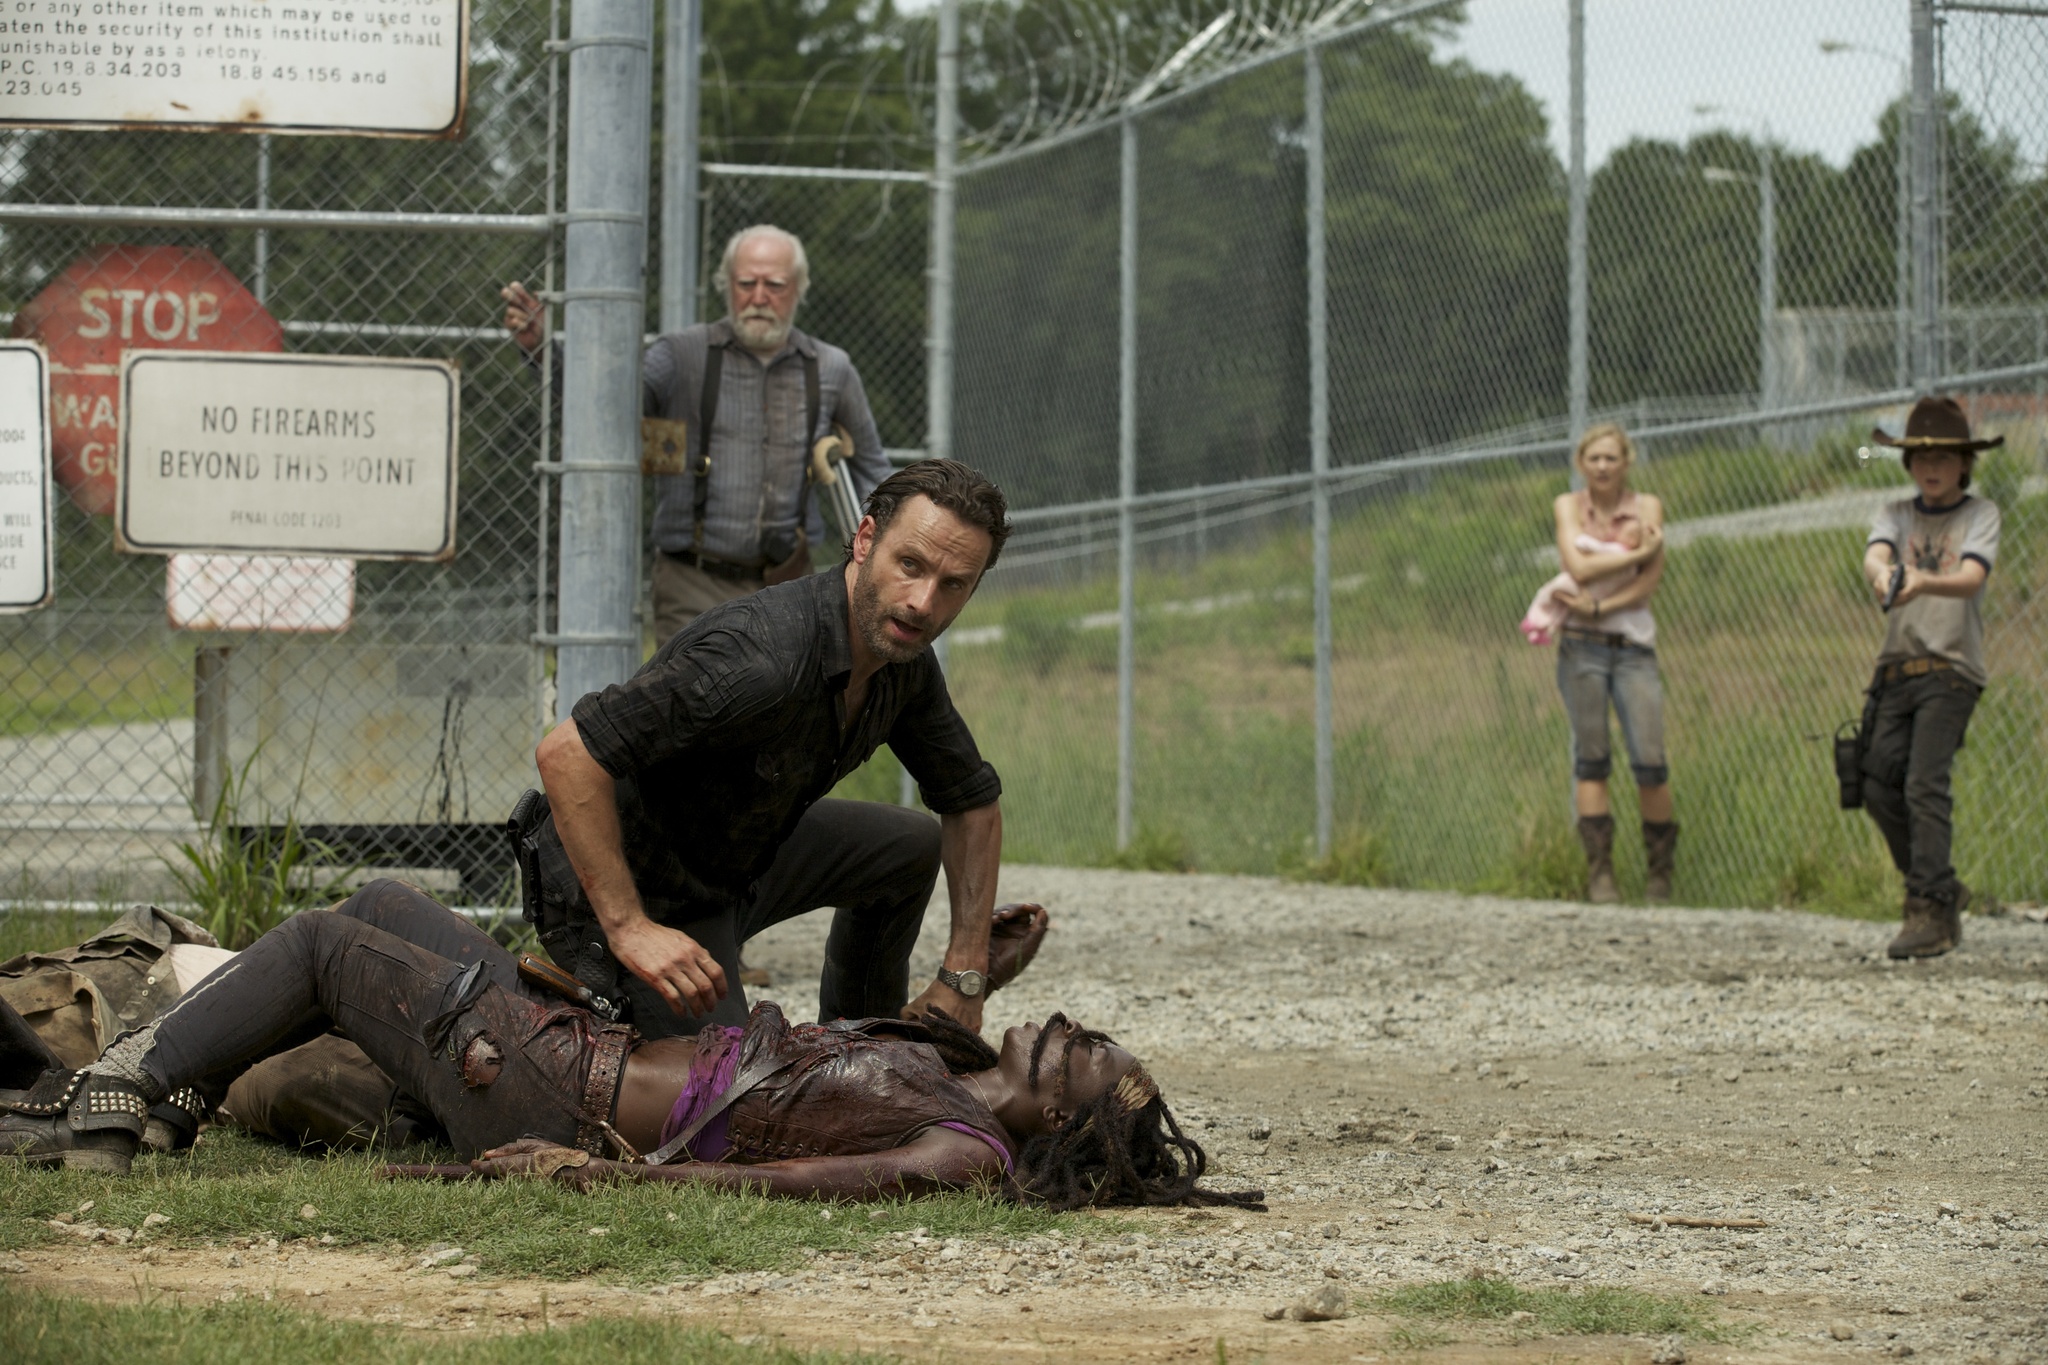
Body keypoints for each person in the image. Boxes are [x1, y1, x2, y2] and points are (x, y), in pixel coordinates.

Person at [0, 885, 1261, 1213]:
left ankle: (116, 1095)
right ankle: (160, 1099)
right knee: (376, 912)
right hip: (574, 1046)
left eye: (1075, 1058)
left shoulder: (962, 1148)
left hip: (554, 1083)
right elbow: (925, 1032)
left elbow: (791, 1181)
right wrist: (995, 976)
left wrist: (600, 1174)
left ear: (1062, 1125)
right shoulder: (959, 1070)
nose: (1062, 1035)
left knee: (339, 941)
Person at [520, 459, 1015, 1043]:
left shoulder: (902, 664)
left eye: (952, 584)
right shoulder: (760, 659)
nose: (922, 602)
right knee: (738, 1100)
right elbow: (568, 754)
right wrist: (629, 927)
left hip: (737, 861)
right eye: (910, 565)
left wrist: (966, 972)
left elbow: (972, 803)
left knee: (909, 847)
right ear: (864, 540)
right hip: (637, 893)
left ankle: (863, 1047)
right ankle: (563, 998)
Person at [501, 224, 891, 641]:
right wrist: (544, 349)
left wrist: (895, 548)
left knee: (787, 704)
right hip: (692, 580)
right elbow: (604, 406)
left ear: (798, 289)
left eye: (774, 285)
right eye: (746, 283)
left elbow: (872, 467)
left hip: (790, 581)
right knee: (698, 699)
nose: (759, 297)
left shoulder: (830, 367)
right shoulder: (680, 354)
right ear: (727, 286)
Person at [1857, 396, 2003, 960]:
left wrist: (1919, 580)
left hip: (1951, 668)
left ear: (1965, 462)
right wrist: (1883, 575)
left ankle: (1927, 909)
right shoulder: (1896, 512)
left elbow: (1969, 576)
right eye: (1920, 457)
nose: (1932, 467)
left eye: (1944, 456)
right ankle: (1938, 883)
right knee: (1875, 780)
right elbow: (1874, 556)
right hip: (1898, 665)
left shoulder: (1978, 514)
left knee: (1924, 782)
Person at [1548, 424, 1678, 903]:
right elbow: (1577, 569)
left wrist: (1603, 606)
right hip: (1580, 645)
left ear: (1627, 463)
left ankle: (1660, 874)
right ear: (1582, 463)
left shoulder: (1648, 507)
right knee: (1592, 757)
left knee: (1650, 759)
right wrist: (1637, 551)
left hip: (1631, 646)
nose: (1603, 467)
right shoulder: (1568, 506)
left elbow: (1649, 580)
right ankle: (1600, 872)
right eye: (1594, 459)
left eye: (1612, 458)